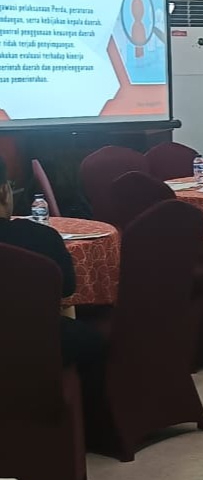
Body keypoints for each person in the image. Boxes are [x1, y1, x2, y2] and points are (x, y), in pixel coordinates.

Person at [0, 156, 105, 370]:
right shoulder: (43, 237)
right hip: (38, 340)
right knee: (96, 344)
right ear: (3, 192)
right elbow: (67, 288)